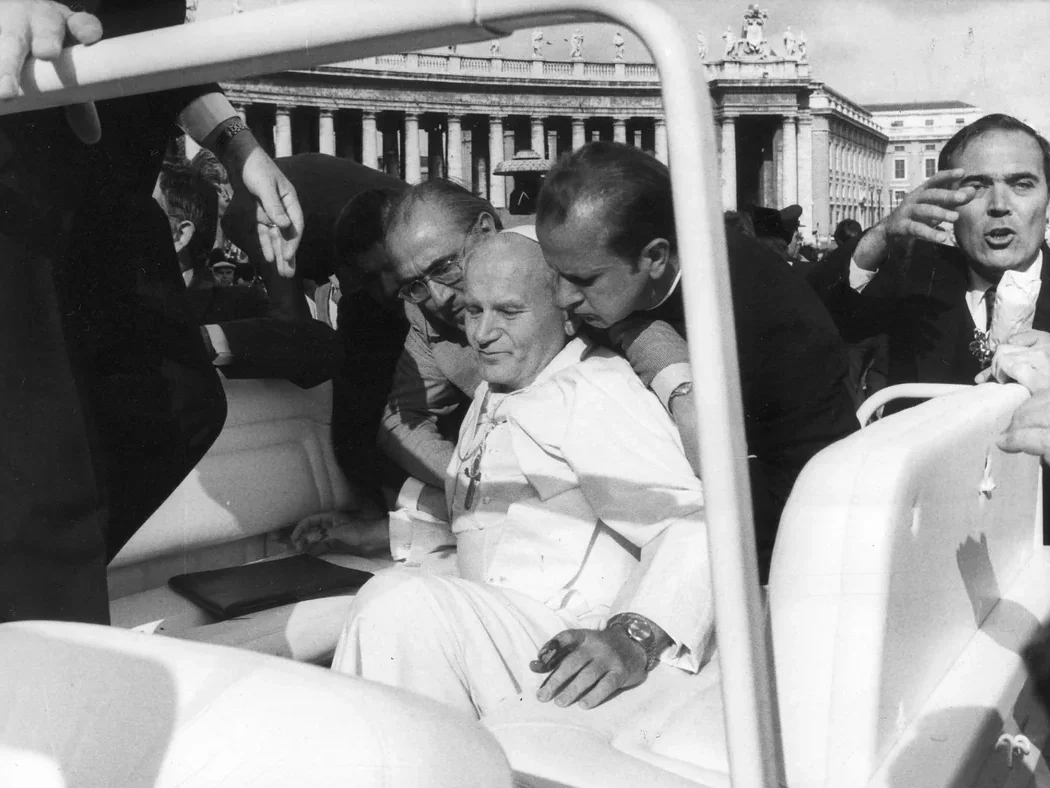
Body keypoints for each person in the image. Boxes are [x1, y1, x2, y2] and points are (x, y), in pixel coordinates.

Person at [296, 230, 712, 718]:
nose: (481, 333)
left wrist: (632, 636)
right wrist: (388, 535)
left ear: (566, 312)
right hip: (510, 630)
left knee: (396, 605)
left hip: (572, 650)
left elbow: (697, 521)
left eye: (509, 312)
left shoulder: (592, 390)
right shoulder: (498, 390)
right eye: (474, 311)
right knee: (389, 596)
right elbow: (499, 531)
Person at [0, 0, 303, 624]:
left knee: (182, 404)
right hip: (20, 178)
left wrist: (239, 147)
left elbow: (154, 39)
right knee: (46, 479)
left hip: (115, 198)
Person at [535, 141, 859, 580]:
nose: (561, 298)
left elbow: (802, 489)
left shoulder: (761, 315)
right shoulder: (605, 261)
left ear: (655, 257)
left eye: (583, 279)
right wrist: (650, 345)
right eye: (554, 272)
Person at [377, 180, 502, 496]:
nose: (439, 297)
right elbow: (402, 421)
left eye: (445, 267)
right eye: (416, 285)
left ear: (486, 231)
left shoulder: (563, 269)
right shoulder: (424, 314)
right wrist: (473, 484)